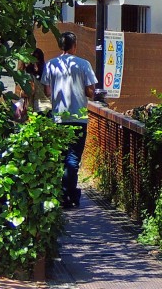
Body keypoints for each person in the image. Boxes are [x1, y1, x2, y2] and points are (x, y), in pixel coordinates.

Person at [41, 32, 98, 208]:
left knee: (61, 157)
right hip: (78, 117)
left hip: (58, 117)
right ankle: (69, 194)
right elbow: (90, 91)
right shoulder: (83, 64)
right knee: (73, 158)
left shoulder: (50, 65)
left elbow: (47, 92)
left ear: (60, 46)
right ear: (74, 46)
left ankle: (64, 193)